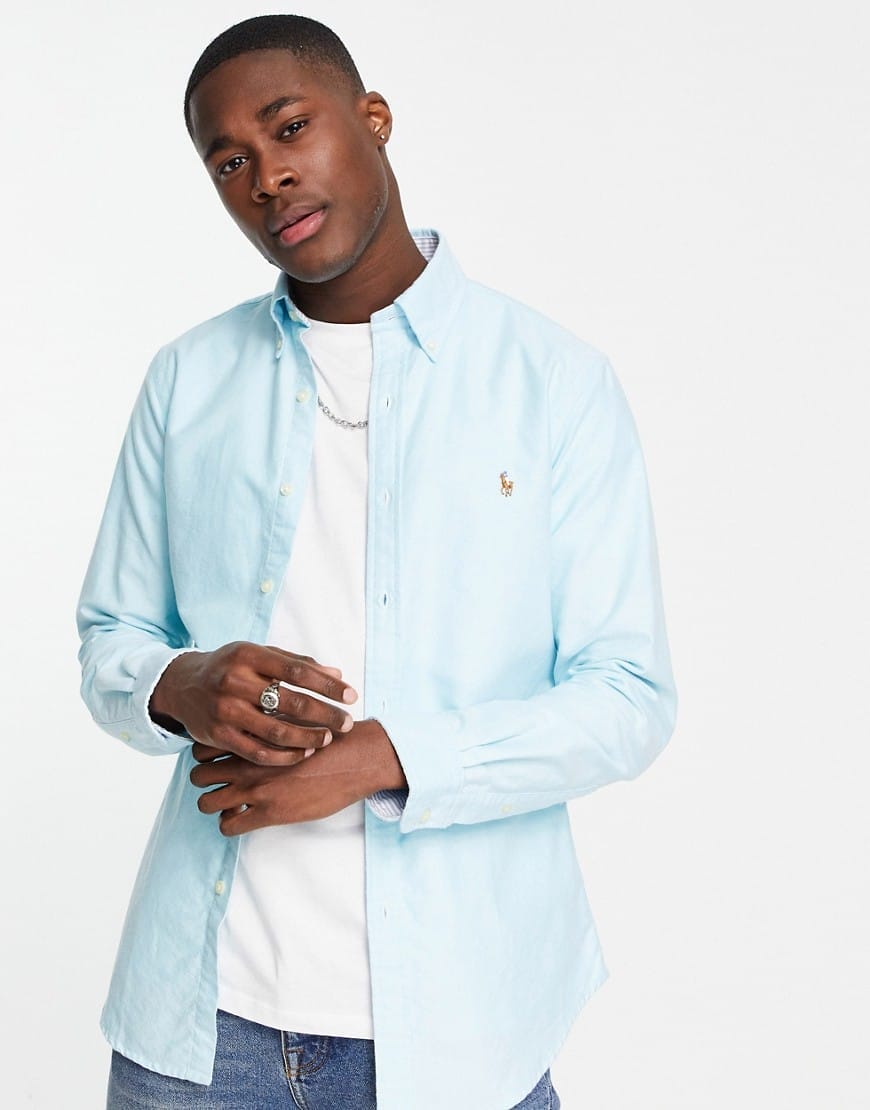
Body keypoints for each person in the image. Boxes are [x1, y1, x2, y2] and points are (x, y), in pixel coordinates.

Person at [77, 14, 677, 1110]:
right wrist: (178, 683)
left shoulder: (553, 382)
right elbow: (110, 639)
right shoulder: (186, 380)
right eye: (228, 163)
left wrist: (386, 760)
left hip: (460, 1032)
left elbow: (628, 698)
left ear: (374, 118)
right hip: (200, 1034)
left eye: (289, 128)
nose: (267, 177)